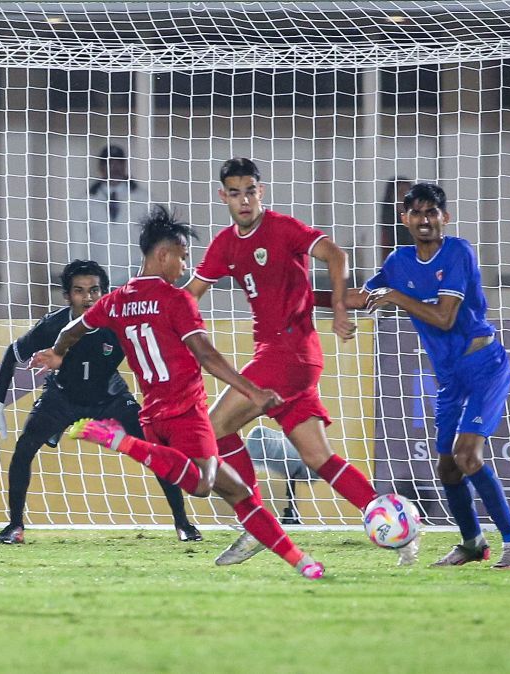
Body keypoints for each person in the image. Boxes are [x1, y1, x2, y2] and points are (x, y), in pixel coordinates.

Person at [32, 205, 325, 580]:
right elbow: (206, 355)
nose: (186, 268)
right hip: (186, 414)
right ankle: (120, 441)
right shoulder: (176, 300)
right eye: (183, 258)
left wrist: (58, 352)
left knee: (237, 492)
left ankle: (304, 563)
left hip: (153, 418)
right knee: (204, 484)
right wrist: (253, 391)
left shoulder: (116, 300)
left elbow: (73, 328)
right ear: (164, 254)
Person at [184, 158, 418, 566]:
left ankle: (255, 525)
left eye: (251, 191)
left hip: (288, 352)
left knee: (213, 427)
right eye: (235, 193)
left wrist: (342, 307)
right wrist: (154, 310)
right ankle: (402, 532)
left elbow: (336, 254)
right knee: (318, 458)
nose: (244, 200)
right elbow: (192, 293)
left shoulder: (283, 228)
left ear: (262, 191)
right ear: (223, 196)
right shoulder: (224, 243)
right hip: (286, 358)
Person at [347, 182, 510, 569]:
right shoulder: (398, 262)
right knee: (447, 466)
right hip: (449, 377)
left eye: (432, 212)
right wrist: (298, 293)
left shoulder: (458, 252)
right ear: (404, 219)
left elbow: (445, 317)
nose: (424, 220)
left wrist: (396, 297)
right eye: (416, 213)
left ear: (444, 217)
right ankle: (472, 543)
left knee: (467, 455)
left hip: (483, 367)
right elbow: (360, 298)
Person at [0, 260, 200, 544]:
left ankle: (183, 523)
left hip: (109, 398)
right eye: (79, 291)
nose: (88, 297)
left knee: (156, 450)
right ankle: (14, 526)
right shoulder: (53, 325)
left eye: (94, 290)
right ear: (67, 296)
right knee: (23, 449)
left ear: (105, 293)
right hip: (62, 398)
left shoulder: (119, 324)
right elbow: (13, 354)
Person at [68, 143, 151, 284]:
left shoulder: (145, 200)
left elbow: (154, 241)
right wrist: (75, 276)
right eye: (110, 163)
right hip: (97, 278)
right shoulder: (83, 203)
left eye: (119, 163)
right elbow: (76, 244)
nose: (114, 168)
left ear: (125, 165)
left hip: (135, 277)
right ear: (101, 167)